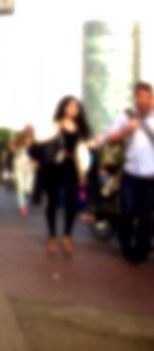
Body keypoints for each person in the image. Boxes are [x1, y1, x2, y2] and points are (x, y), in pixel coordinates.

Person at [103, 81, 154, 263]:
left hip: (150, 177)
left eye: (145, 98)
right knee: (128, 211)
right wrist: (127, 130)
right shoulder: (127, 116)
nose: (141, 101)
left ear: (151, 98)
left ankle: (140, 252)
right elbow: (110, 137)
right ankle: (125, 245)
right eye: (138, 97)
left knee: (145, 214)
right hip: (131, 174)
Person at [35, 96, 91, 255]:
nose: (74, 109)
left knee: (72, 203)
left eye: (76, 107)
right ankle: (52, 236)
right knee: (52, 201)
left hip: (72, 167)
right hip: (55, 166)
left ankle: (67, 236)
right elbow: (40, 140)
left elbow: (84, 152)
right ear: (63, 108)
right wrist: (56, 129)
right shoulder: (55, 125)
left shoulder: (81, 129)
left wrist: (83, 171)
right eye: (70, 106)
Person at [11, 124, 37, 217]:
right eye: (27, 130)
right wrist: (13, 147)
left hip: (30, 168)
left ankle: (24, 203)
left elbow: (39, 154)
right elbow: (12, 147)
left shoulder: (35, 142)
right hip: (19, 167)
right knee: (20, 188)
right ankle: (22, 207)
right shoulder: (19, 141)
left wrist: (36, 162)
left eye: (30, 131)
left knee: (28, 189)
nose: (28, 132)